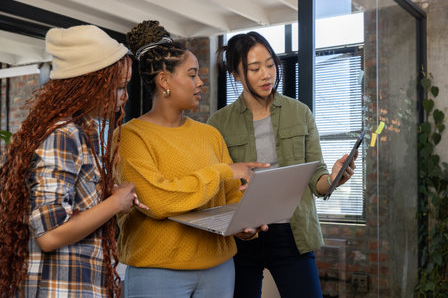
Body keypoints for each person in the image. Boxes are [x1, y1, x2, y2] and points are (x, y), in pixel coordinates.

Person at [115, 20, 269, 298]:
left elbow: (232, 194)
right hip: (157, 273)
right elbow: (157, 200)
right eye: (192, 74)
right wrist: (223, 172)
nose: (200, 82)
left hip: (220, 269)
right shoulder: (130, 136)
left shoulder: (209, 134)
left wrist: (245, 224)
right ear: (165, 81)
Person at [207, 31, 357, 298]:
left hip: (292, 234)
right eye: (255, 68)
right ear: (237, 75)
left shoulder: (300, 113)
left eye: (270, 64)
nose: (267, 74)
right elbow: (216, 185)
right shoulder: (218, 124)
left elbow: (316, 178)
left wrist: (333, 177)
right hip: (242, 237)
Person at [0, 25, 146, 297]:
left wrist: (108, 197)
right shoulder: (64, 135)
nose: (124, 97)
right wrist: (115, 203)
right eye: (118, 88)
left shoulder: (81, 132)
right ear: (88, 87)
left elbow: (69, 207)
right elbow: (50, 235)